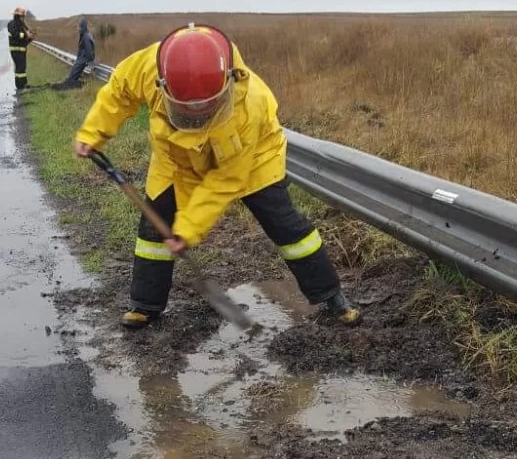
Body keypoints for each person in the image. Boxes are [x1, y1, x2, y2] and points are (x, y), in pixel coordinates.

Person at [73, 23, 361, 329]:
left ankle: (331, 297)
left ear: (227, 83)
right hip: (176, 159)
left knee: (286, 227)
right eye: (188, 111)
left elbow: (224, 181)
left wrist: (187, 230)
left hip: (252, 160)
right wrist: (93, 133)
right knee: (154, 229)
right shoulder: (149, 65)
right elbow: (119, 93)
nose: (197, 117)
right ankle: (145, 305)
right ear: (163, 84)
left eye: (206, 110)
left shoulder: (249, 108)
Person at [53, 18, 96, 90]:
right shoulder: (84, 35)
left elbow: (89, 51)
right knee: (72, 76)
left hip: (82, 60)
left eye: (79, 27)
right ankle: (75, 84)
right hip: (81, 60)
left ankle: (81, 85)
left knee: (72, 78)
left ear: (82, 27)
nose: (78, 28)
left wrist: (89, 62)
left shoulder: (86, 36)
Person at [7, 7, 33, 91]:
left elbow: (25, 38)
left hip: (21, 49)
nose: (23, 18)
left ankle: (22, 84)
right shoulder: (12, 24)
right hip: (16, 50)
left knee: (21, 68)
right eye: (22, 16)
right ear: (18, 16)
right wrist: (26, 35)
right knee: (20, 68)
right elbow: (16, 35)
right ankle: (20, 86)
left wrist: (30, 37)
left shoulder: (22, 25)